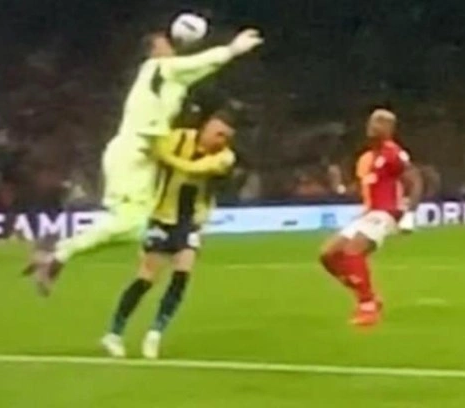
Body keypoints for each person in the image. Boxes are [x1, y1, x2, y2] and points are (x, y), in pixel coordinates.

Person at [24, 26, 263, 295]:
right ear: (152, 52)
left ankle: (55, 250)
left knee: (134, 226)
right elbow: (196, 64)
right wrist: (231, 50)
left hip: (139, 156)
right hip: (133, 154)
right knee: (132, 224)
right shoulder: (157, 67)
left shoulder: (171, 80)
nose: (169, 46)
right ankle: (58, 254)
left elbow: (195, 71)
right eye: (162, 43)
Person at [100, 110, 237, 358]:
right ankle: (114, 333)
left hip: (191, 221)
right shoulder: (179, 138)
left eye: (226, 137)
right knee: (146, 278)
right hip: (161, 216)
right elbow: (148, 151)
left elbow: (192, 169)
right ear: (206, 128)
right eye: (218, 133)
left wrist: (161, 153)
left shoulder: (225, 158)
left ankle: (155, 333)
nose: (221, 141)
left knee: (182, 274)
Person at [319, 109, 422, 327]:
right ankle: (369, 295)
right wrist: (340, 187)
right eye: (373, 121)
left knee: (353, 251)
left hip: (386, 212)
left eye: (381, 122)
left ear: (390, 129)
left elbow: (415, 180)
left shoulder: (393, 153)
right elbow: (363, 187)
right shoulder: (366, 158)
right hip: (368, 213)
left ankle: (367, 306)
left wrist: (410, 213)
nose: (373, 125)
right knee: (328, 255)